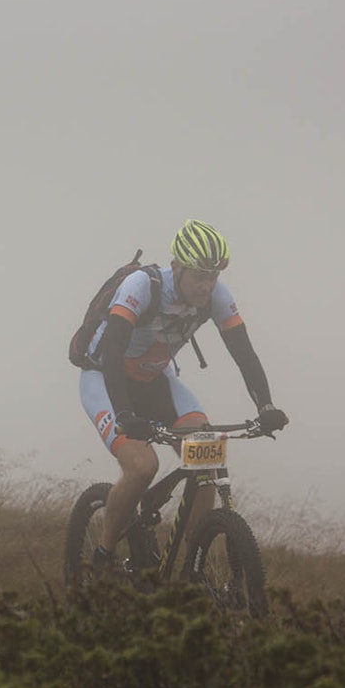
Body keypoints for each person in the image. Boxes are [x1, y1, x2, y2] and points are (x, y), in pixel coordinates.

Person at [78, 219, 288, 571]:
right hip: (106, 380)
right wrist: (126, 415)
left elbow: (243, 352)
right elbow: (112, 350)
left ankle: (194, 564)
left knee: (206, 455)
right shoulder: (142, 286)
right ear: (176, 267)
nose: (207, 287)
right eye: (198, 277)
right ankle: (103, 554)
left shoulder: (217, 296)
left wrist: (265, 405)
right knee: (143, 466)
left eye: (213, 277)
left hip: (157, 381)